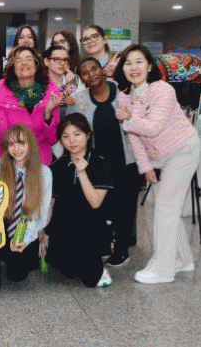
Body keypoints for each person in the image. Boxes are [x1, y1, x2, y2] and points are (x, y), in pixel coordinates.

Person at [114, 44, 200, 284]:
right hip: (160, 156)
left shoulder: (163, 90)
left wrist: (129, 117)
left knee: (165, 205)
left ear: (149, 66)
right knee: (158, 204)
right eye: (128, 63)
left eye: (139, 61)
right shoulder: (124, 96)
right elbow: (134, 137)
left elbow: (152, 128)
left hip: (183, 150)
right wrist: (146, 167)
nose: (133, 68)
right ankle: (183, 259)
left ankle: (163, 269)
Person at [70, 57, 140, 266]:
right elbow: (75, 129)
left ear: (102, 69)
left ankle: (121, 249)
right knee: (103, 206)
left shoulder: (123, 90)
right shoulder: (79, 99)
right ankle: (104, 244)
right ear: (81, 78)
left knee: (125, 207)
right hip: (99, 164)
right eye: (85, 72)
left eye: (94, 68)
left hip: (126, 160)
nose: (91, 74)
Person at [44, 113, 114, 288]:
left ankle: (98, 256)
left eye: (77, 134)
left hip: (92, 225)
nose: (71, 141)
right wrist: (46, 232)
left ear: (88, 135)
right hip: (66, 225)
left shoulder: (101, 162)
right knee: (67, 271)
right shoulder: (58, 166)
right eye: (65, 136)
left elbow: (95, 203)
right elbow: (54, 203)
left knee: (91, 280)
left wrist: (82, 172)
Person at [0, 125, 52, 292]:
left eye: (21, 143)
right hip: (0, 224)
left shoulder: (44, 173)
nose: (16, 149)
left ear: (30, 144)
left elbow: (41, 214)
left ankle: (14, 256)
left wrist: (24, 239)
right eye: (11, 144)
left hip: (26, 225)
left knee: (17, 275)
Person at [0, 46, 61, 165]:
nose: (24, 63)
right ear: (13, 68)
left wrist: (48, 114)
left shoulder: (51, 93)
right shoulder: (3, 93)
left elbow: (53, 139)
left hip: (39, 157)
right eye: (18, 60)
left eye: (28, 59)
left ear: (36, 65)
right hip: (9, 157)